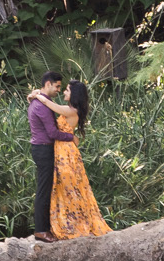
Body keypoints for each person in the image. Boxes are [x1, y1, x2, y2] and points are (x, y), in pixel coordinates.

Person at [29, 78, 111, 239]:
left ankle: (71, 222)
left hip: (66, 153)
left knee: (69, 187)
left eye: (66, 90)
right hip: (61, 150)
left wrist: (37, 95)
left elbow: (52, 106)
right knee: (64, 187)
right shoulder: (70, 109)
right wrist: (35, 95)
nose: (64, 92)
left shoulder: (71, 110)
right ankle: (63, 221)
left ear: (74, 94)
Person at [26, 71, 71, 242]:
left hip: (42, 148)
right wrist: (71, 137)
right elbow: (52, 132)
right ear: (47, 84)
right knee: (43, 190)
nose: (59, 89)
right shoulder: (41, 105)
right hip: (43, 149)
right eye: (57, 86)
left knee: (47, 189)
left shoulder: (42, 101)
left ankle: (47, 227)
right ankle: (41, 230)